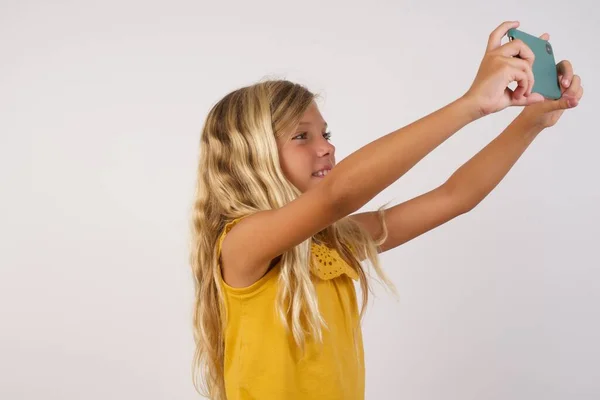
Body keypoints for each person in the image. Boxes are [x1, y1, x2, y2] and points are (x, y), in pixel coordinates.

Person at [189, 20, 583, 400]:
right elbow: (339, 196)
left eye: (325, 134)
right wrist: (471, 105)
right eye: (300, 136)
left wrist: (531, 122)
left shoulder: (333, 244)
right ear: (250, 154)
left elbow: (455, 196)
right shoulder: (241, 245)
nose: (325, 147)